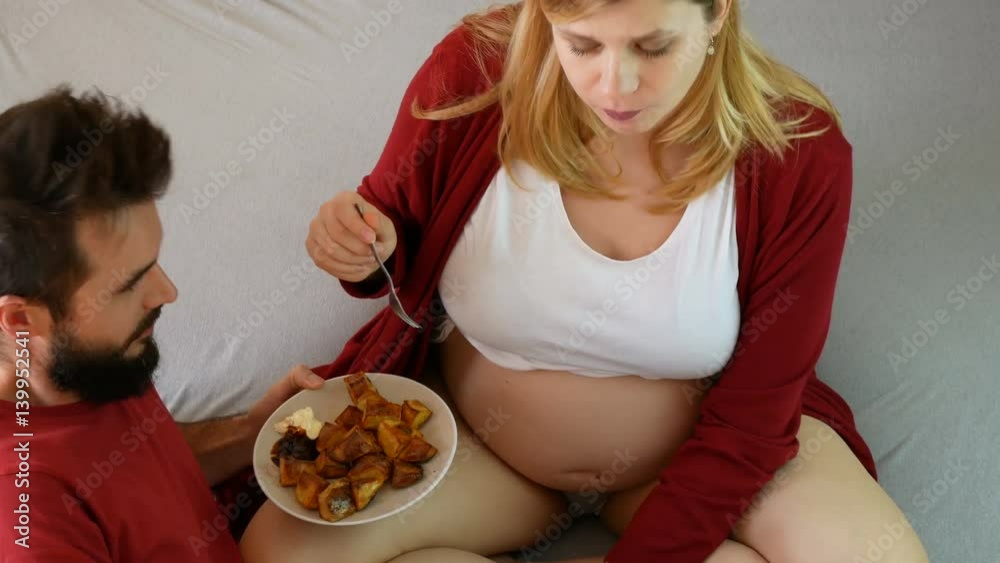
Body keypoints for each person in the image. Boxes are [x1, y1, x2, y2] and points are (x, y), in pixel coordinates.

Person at [243, 1, 933, 562]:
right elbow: (394, 225)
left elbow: (755, 418)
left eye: (652, 47)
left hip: (700, 460)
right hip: (485, 456)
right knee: (285, 550)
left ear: (717, 12)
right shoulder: (475, 69)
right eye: (582, 45)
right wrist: (364, 249)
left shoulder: (798, 153)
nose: (614, 87)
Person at [0, 87, 326, 562]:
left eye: (154, 263)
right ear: (22, 321)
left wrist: (253, 431)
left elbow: (133, 477)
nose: (167, 292)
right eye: (130, 284)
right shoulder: (30, 519)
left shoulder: (94, 362)